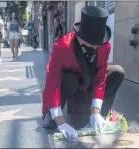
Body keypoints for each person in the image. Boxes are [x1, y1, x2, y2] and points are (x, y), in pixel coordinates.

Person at [42, 6, 125, 139]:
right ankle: (52, 115)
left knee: (117, 72)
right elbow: (52, 85)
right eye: (91, 45)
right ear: (80, 38)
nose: (95, 48)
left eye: (97, 45)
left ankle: (100, 117)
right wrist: (60, 122)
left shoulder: (104, 45)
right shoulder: (62, 47)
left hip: (88, 83)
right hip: (71, 85)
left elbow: (100, 78)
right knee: (70, 79)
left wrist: (95, 112)